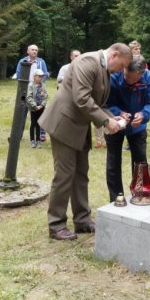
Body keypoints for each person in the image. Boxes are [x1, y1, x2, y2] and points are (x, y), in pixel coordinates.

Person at [38, 43, 133, 240]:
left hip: (79, 127)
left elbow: (96, 102)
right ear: (114, 55)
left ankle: (82, 220)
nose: (121, 70)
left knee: (81, 174)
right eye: (122, 65)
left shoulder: (103, 68)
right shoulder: (88, 62)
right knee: (64, 175)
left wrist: (111, 117)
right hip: (64, 125)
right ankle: (56, 225)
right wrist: (106, 121)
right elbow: (82, 98)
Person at [105, 55, 150, 202]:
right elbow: (106, 103)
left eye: (133, 79)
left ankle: (140, 195)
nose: (128, 81)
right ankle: (116, 199)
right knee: (113, 163)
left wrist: (143, 114)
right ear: (124, 68)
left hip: (138, 128)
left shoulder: (148, 77)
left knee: (140, 163)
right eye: (126, 76)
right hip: (115, 124)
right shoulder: (113, 76)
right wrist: (119, 113)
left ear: (141, 74)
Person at [15, 44, 49, 140]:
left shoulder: (41, 62)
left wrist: (39, 85)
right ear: (28, 51)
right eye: (32, 50)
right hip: (25, 90)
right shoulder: (22, 61)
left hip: (38, 91)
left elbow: (45, 74)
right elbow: (18, 74)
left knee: (40, 113)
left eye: (36, 50)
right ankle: (18, 134)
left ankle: (41, 134)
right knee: (22, 113)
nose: (34, 51)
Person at [26, 69, 48, 148]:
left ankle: (38, 140)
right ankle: (32, 140)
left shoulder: (43, 85)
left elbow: (45, 96)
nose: (40, 78)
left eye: (41, 76)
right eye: (39, 76)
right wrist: (35, 106)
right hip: (33, 108)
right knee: (33, 123)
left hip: (41, 108)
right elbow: (29, 97)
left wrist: (42, 105)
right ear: (34, 77)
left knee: (39, 123)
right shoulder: (30, 85)